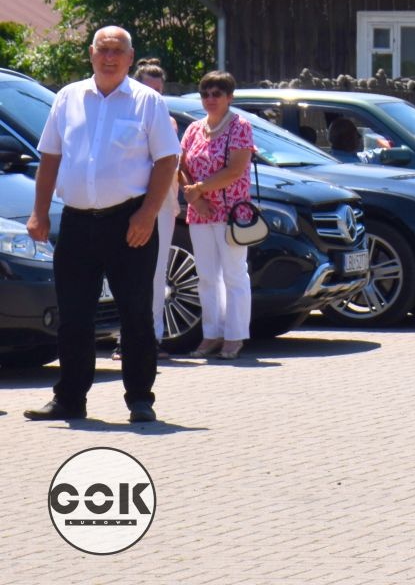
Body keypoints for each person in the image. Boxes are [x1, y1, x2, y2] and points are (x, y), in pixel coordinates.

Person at [24, 27, 180, 424]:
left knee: (136, 313)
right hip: (77, 221)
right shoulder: (68, 97)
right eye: (103, 50)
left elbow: (167, 160)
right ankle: (70, 398)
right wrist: (39, 212)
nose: (109, 58)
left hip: (130, 222)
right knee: (74, 314)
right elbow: (50, 158)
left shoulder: (147, 101)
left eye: (117, 51)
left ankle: (140, 399)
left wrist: (148, 213)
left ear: (130, 58)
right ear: (91, 54)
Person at [178, 71, 255, 360]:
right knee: (207, 276)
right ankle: (212, 333)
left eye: (217, 94)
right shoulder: (193, 129)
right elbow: (181, 166)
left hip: (231, 211)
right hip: (200, 212)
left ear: (229, 97)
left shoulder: (240, 126)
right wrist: (196, 199)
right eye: (205, 94)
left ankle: (235, 336)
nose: (210, 99)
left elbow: (235, 170)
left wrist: (200, 188)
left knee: (234, 274)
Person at [119, 59, 176, 360]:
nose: (156, 96)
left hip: (159, 205)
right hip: (123, 203)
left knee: (155, 271)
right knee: (120, 272)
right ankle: (122, 337)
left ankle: (151, 337)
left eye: (159, 91)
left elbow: (169, 163)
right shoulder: (122, 114)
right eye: (149, 89)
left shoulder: (168, 122)